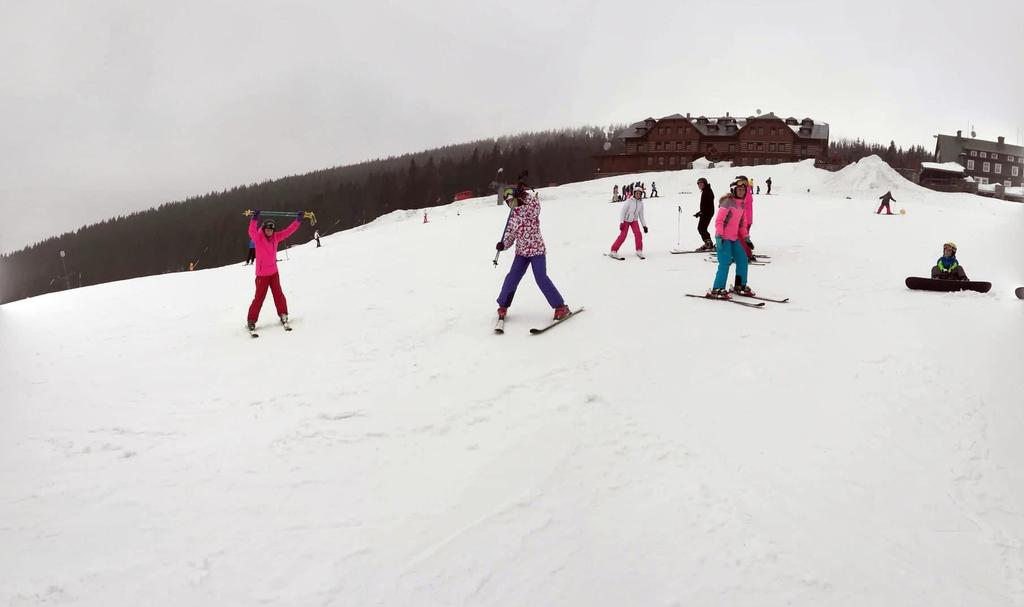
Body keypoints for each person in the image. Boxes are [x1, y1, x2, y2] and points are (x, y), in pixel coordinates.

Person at [495, 183, 570, 321]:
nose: (510, 203)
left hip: (537, 251)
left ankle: (560, 307)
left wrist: (525, 195)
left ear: (518, 198)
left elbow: (536, 207)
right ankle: (503, 306)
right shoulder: (513, 216)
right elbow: (510, 236)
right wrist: (503, 244)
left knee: (541, 278)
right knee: (512, 277)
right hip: (522, 253)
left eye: (512, 200)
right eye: (507, 202)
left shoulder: (530, 208)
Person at [246, 211, 304, 331]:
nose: (269, 231)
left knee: (278, 295)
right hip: (262, 275)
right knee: (259, 298)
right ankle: (251, 320)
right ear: (264, 229)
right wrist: (254, 219)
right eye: (267, 229)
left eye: (271, 230)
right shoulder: (258, 238)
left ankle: (283, 314)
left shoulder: (276, 237)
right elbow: (251, 231)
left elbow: (288, 231)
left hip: (273, 273)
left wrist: (298, 221)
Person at [707, 181, 753, 299]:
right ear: (734, 190)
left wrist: (746, 238)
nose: (741, 192)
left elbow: (742, 224)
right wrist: (719, 237)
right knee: (725, 262)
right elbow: (719, 221)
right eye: (739, 190)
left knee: (743, 259)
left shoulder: (741, 204)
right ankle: (717, 288)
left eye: (743, 190)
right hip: (724, 238)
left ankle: (740, 285)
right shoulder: (728, 203)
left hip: (734, 238)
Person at [609, 188, 648, 259]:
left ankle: (639, 250)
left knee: (638, 234)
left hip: (634, 221)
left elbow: (641, 215)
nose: (638, 195)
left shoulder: (641, 203)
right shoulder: (629, 201)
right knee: (623, 236)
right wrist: (621, 222)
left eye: (639, 193)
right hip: (626, 220)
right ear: (634, 193)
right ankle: (613, 250)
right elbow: (622, 212)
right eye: (637, 193)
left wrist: (644, 226)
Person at [693, 177, 715, 251]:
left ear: (705, 183)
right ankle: (708, 243)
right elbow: (705, 205)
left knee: (701, 228)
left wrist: (703, 212)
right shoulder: (706, 191)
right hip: (706, 213)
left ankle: (708, 244)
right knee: (702, 228)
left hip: (707, 213)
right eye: (699, 184)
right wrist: (700, 212)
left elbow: (708, 204)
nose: (700, 185)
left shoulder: (707, 191)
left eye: (701, 183)